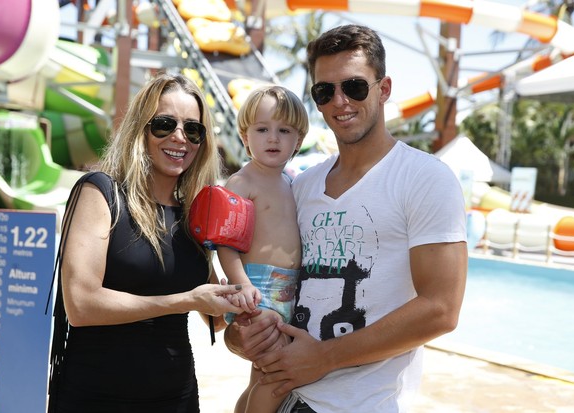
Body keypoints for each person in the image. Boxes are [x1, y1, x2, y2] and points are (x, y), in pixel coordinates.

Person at [224, 24, 468, 412]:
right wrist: (241, 336)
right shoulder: (300, 186)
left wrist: (324, 358)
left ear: (383, 89)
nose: (340, 101)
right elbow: (265, 291)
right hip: (286, 395)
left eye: (354, 86)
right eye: (325, 91)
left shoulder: (425, 178)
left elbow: (441, 309)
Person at [47, 73, 244, 413]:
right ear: (141, 128)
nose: (180, 137)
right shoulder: (101, 194)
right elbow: (81, 305)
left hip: (176, 398)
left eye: (193, 129)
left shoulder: (194, 215)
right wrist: (184, 300)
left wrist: (239, 296)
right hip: (95, 398)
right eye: (165, 124)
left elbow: (215, 317)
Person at [216, 85, 309, 413]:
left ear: (297, 141)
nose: (273, 138)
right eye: (262, 129)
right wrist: (242, 284)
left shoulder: (292, 182)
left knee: (260, 377)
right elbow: (226, 243)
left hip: (287, 289)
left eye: (284, 130)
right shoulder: (243, 182)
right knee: (276, 377)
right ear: (244, 137)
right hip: (258, 289)